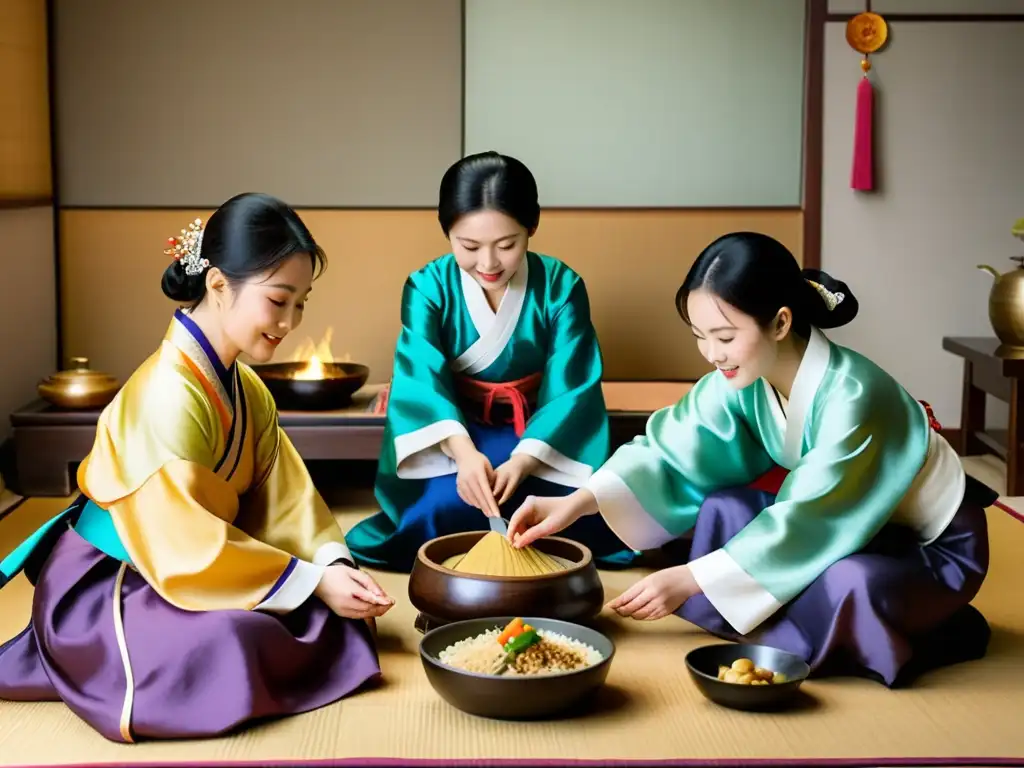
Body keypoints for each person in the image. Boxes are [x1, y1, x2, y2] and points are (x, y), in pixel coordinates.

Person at [507, 231, 995, 687]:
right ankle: (783, 613)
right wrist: (578, 501)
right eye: (700, 335)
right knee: (725, 509)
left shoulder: (854, 396)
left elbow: (810, 518)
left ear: (781, 322)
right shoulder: (745, 375)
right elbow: (672, 448)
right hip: (853, 525)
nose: (711, 354)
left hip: (929, 547)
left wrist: (690, 577)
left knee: (849, 581)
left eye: (724, 336)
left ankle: (937, 626)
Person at [0, 192, 394, 742]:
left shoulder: (247, 387)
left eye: (301, 302)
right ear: (216, 285)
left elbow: (284, 497)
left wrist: (329, 564)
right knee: (229, 644)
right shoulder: (166, 392)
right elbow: (180, 539)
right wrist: (310, 583)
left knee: (323, 612)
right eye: (278, 300)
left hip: (190, 563)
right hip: (117, 577)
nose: (291, 322)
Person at [345, 151, 636, 572]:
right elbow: (420, 380)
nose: (488, 263)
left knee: (548, 500)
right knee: (440, 509)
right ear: (446, 231)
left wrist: (524, 459)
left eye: (507, 245)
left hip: (537, 431)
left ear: (532, 226)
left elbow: (571, 388)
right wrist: (463, 455)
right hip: (453, 430)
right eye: (469, 246)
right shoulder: (428, 287)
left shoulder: (560, 287)